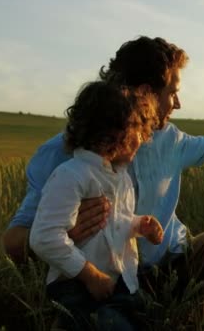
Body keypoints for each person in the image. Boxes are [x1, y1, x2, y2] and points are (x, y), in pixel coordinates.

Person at [3, 36, 204, 330]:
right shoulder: (65, 154)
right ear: (146, 94)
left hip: (173, 265)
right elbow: (14, 241)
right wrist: (66, 233)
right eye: (172, 92)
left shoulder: (169, 140)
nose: (178, 103)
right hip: (102, 282)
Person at [29, 81, 164, 330]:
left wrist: (138, 225)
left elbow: (114, 224)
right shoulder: (71, 175)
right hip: (78, 286)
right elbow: (44, 237)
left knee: (149, 318)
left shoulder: (120, 176)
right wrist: (90, 275)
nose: (145, 139)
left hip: (119, 282)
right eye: (140, 130)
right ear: (115, 133)